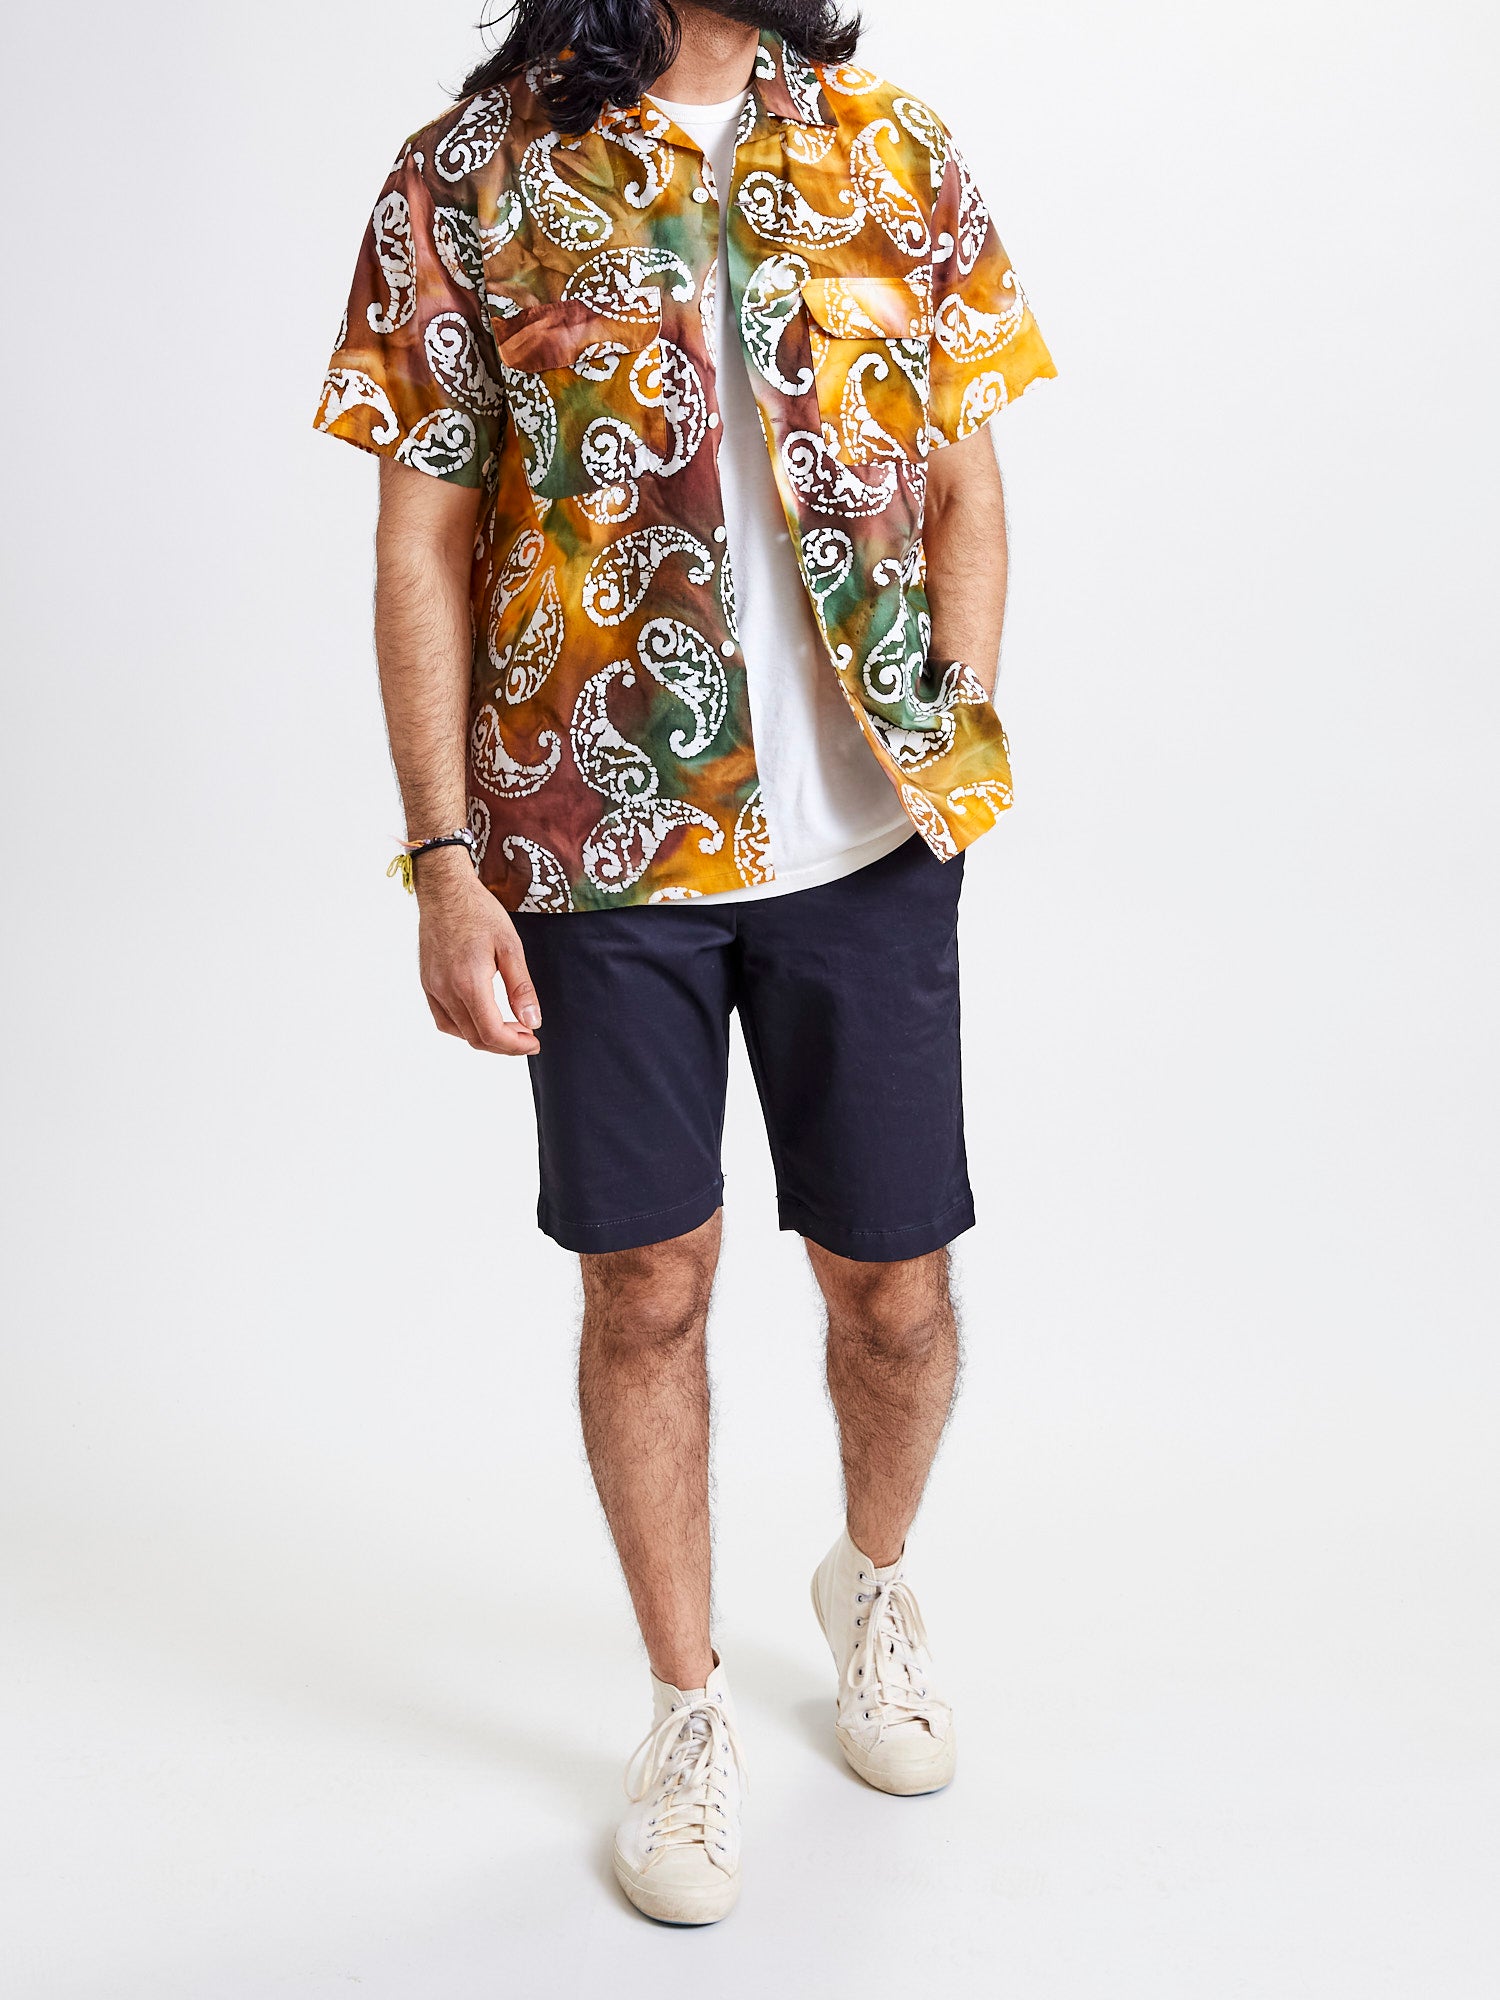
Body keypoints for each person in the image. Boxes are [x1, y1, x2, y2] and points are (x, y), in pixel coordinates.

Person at [315, 0, 1053, 1925]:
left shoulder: (896, 148)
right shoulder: (469, 178)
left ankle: (871, 1583)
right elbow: (420, 541)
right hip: (594, 844)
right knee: (647, 1286)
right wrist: (443, 863)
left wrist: (954, 737)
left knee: (895, 1287)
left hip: (868, 843)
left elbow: (968, 483)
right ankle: (687, 1703)